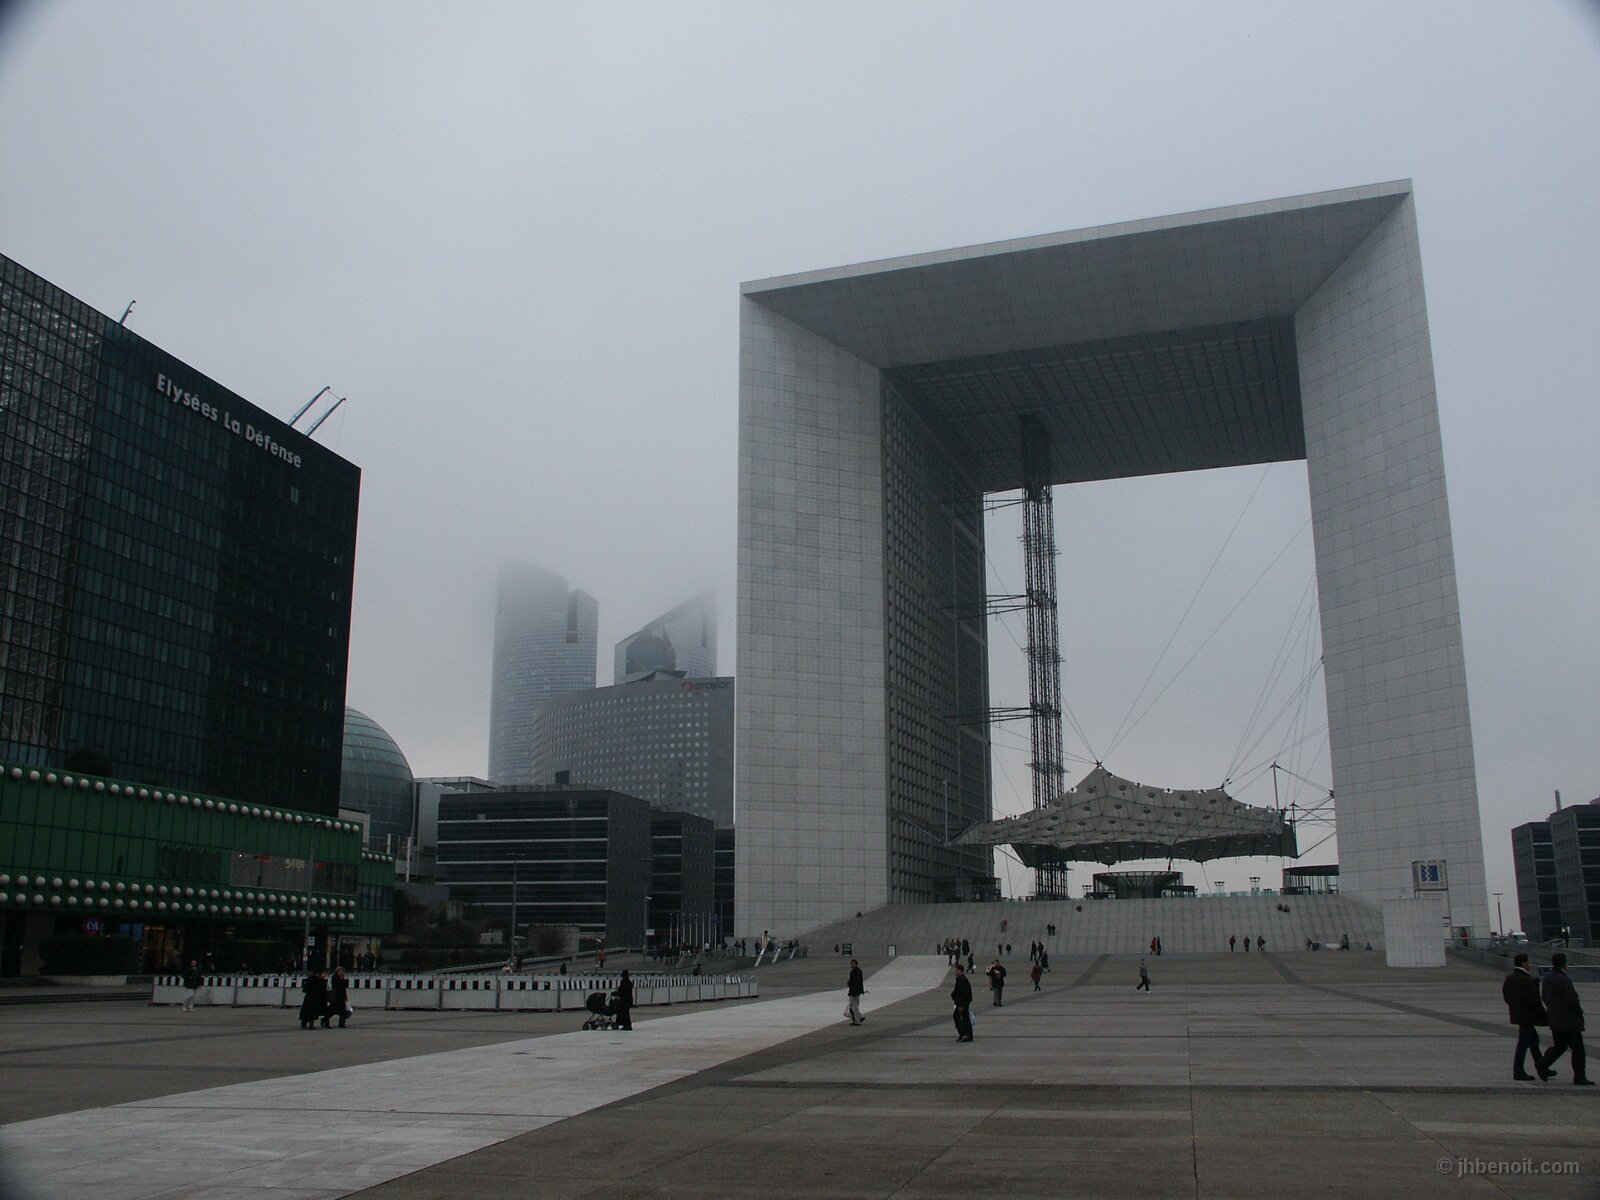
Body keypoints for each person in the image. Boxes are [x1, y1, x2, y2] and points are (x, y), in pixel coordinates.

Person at [1538, 953, 1592, 1084]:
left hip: (1555, 1019)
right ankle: (1579, 1077)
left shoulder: (1548, 978)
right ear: (1564, 964)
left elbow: (1544, 997)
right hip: (1569, 1021)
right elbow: (1572, 1000)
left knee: (1560, 1046)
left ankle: (1543, 1064)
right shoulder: (1564, 979)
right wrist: (1579, 1013)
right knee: (1578, 1050)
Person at [1501, 952, 1551, 1081]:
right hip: (1527, 1016)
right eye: (1528, 962)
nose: (1530, 965)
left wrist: (1515, 1007)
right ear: (1524, 963)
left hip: (1518, 1014)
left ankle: (1542, 1066)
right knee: (1523, 1043)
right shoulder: (1527, 979)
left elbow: (1506, 996)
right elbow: (1534, 1001)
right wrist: (1545, 1016)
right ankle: (1519, 1070)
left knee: (1533, 1040)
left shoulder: (1510, 978)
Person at [951, 964, 974, 1042]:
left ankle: (963, 1034)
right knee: (965, 1017)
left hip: (962, 1003)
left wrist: (961, 1005)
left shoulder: (962, 980)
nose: (955, 972)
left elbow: (964, 993)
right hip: (962, 1003)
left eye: (956, 970)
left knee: (957, 1016)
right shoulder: (961, 979)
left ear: (960, 970)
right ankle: (968, 1034)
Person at [846, 958, 865, 1026]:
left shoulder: (857, 972)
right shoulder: (854, 971)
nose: (852, 965)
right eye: (852, 964)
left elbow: (857, 982)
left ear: (857, 964)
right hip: (854, 990)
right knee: (852, 1006)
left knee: (854, 1007)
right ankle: (860, 1017)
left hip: (855, 991)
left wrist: (854, 991)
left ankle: (857, 1021)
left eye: (854, 964)